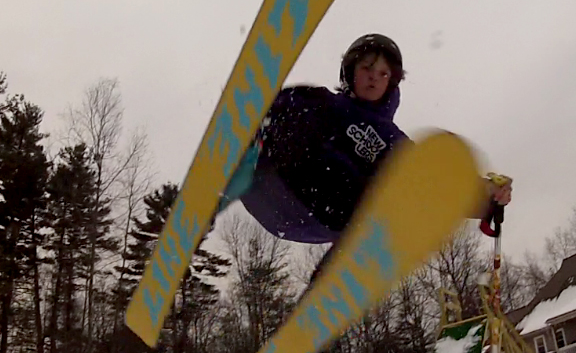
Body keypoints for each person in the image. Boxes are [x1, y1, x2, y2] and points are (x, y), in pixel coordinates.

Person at [218, 33, 512, 275]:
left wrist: (484, 197)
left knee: (398, 183)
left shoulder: (389, 139)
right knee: (308, 101)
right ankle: (238, 167)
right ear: (351, 72)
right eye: (366, 69)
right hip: (273, 182)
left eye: (382, 73)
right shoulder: (324, 103)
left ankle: (322, 303)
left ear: (391, 82)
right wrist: (248, 111)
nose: (373, 78)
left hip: (326, 213)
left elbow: (430, 182)